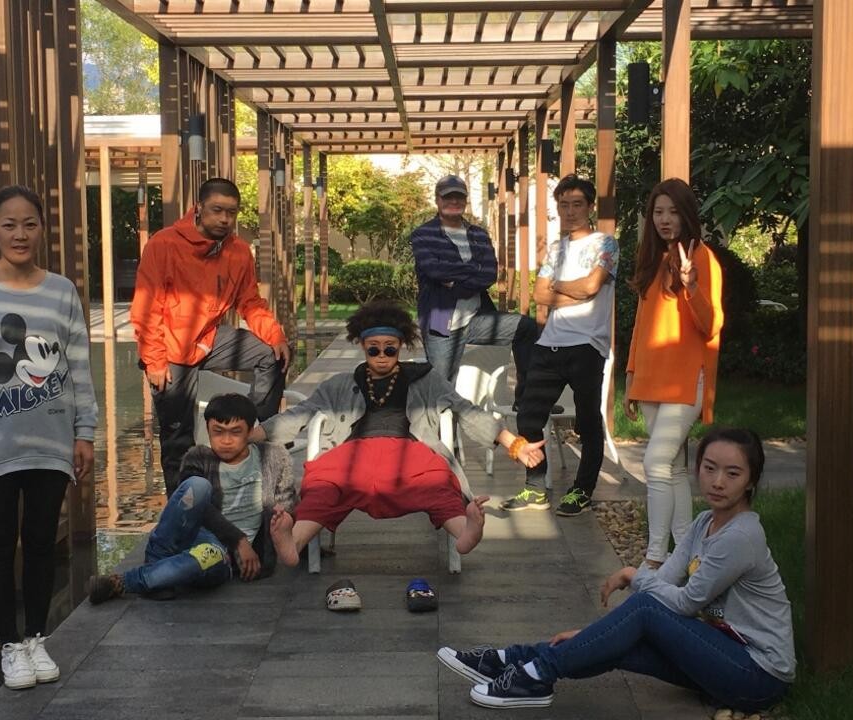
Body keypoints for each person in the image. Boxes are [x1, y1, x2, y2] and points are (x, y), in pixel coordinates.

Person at [439, 427, 795, 714]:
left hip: (757, 676)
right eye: (709, 468)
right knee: (618, 642)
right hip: (723, 657)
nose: (717, 481)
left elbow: (685, 603)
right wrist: (594, 634)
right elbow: (665, 581)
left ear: (751, 481)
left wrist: (631, 575)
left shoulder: (741, 536)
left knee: (643, 610)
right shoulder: (704, 522)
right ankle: (511, 661)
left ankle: (537, 674)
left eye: (732, 473)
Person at [248, 300, 546, 567]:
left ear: (401, 346)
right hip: (353, 454)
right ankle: (294, 542)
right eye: (373, 349)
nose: (382, 356)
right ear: (362, 346)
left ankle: (465, 532)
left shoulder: (426, 380)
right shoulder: (339, 384)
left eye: (390, 348)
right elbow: (300, 414)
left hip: (410, 452)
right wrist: (251, 435)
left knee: (438, 482)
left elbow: (465, 409)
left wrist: (514, 443)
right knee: (323, 484)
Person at [0, 186, 98, 690]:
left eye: (29, 224)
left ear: (42, 229)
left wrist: (85, 432)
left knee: (40, 542)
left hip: (51, 441)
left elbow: (78, 367)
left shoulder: (61, 291)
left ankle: (36, 639)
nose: (20, 234)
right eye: (9, 224)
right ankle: (9, 645)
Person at [130, 177, 290, 491]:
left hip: (207, 338)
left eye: (231, 212)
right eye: (217, 210)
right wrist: (154, 361)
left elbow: (250, 301)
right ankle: (184, 507)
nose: (225, 219)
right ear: (199, 208)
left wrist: (276, 335)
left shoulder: (238, 251)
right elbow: (146, 309)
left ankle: (251, 432)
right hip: (170, 350)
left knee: (272, 354)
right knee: (178, 439)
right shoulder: (164, 244)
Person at [87, 393, 297, 604]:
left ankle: (124, 582)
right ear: (208, 429)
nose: (226, 441)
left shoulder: (273, 457)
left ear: (250, 431)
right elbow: (201, 511)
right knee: (197, 486)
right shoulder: (198, 458)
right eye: (218, 432)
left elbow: (288, 505)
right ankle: (156, 559)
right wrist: (239, 540)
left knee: (204, 557)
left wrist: (284, 521)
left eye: (236, 432)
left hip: (222, 556)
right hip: (198, 534)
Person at [501, 175, 619, 516]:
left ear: (590, 207)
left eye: (577, 204)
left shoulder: (606, 244)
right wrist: (573, 289)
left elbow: (591, 287)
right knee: (528, 415)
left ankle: (582, 491)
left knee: (587, 421)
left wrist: (558, 286)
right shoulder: (556, 248)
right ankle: (536, 487)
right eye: (563, 205)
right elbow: (540, 294)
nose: (570, 212)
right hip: (550, 343)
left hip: (587, 345)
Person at [624, 178, 725, 565]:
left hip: (686, 379)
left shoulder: (703, 258)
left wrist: (691, 286)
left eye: (673, 212)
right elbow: (641, 325)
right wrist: (631, 376)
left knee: (654, 464)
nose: (665, 219)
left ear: (687, 215)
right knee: (675, 469)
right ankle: (688, 554)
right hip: (650, 378)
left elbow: (711, 324)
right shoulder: (652, 258)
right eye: (658, 212)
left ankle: (655, 557)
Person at [411, 174, 538, 405]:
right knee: (441, 383)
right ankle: (439, 427)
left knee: (526, 327)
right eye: (448, 197)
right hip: (440, 319)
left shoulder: (478, 234)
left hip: (477, 317)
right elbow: (435, 271)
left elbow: (488, 274)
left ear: (465, 200)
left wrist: (455, 282)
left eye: (459, 197)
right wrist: (471, 271)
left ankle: (527, 399)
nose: (454, 201)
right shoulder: (423, 234)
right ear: (437, 200)